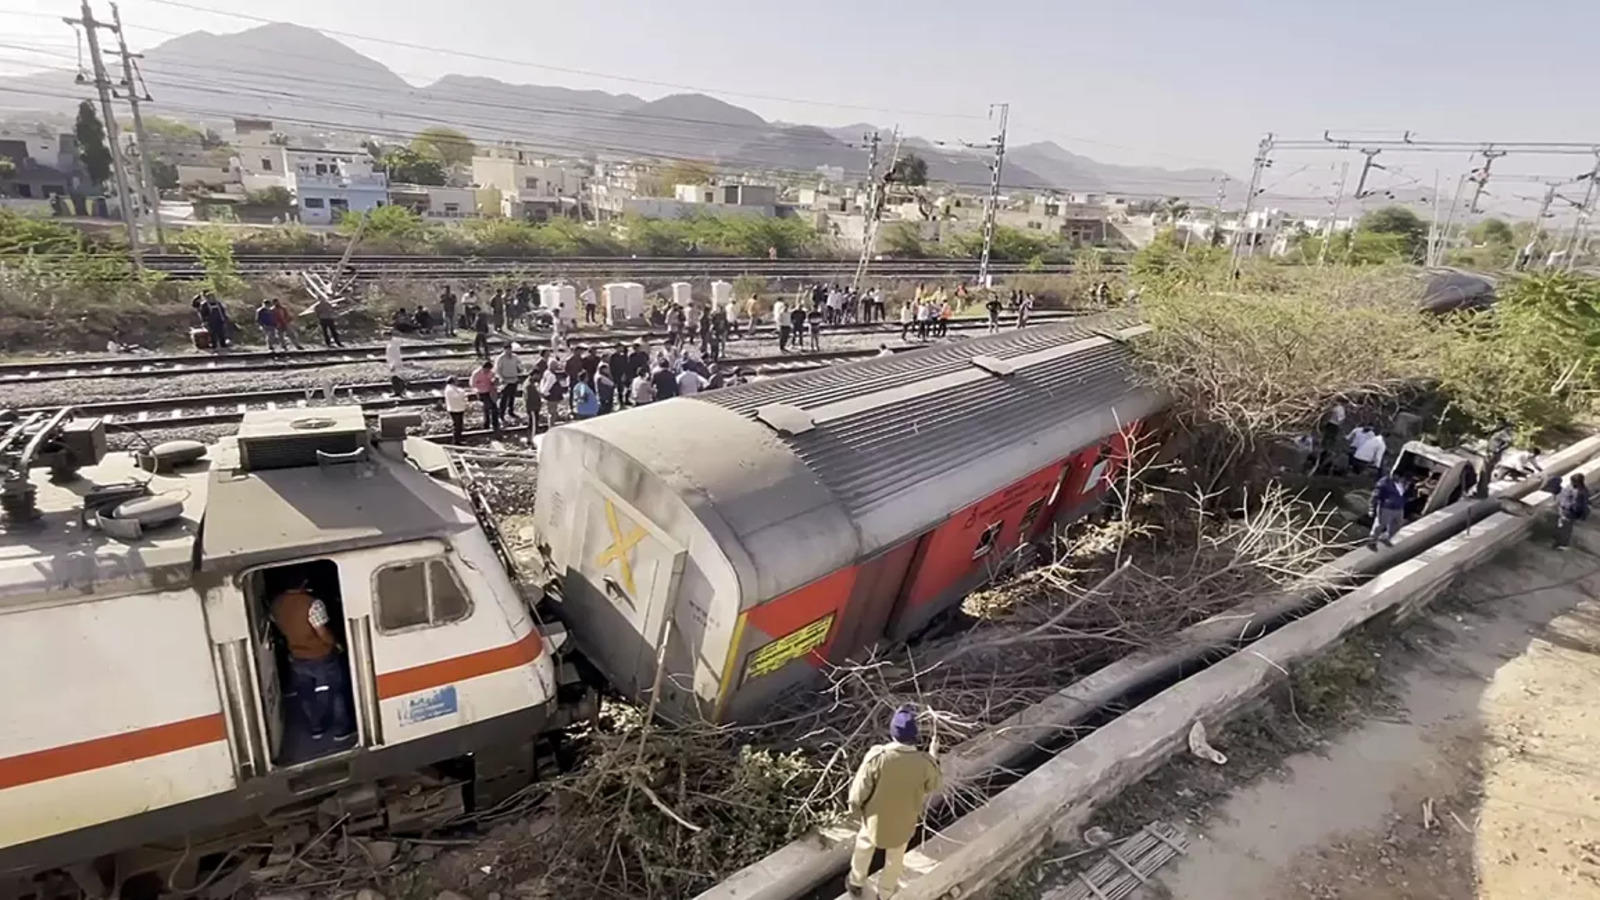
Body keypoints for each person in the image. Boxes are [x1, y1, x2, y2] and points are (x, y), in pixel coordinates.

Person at [846, 705, 942, 899]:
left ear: (892, 732)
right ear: (914, 736)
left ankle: (856, 883)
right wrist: (934, 756)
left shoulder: (877, 758)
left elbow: (857, 794)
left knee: (864, 847)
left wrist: (856, 812)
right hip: (904, 824)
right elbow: (934, 785)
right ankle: (885, 893)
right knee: (894, 859)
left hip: (874, 821)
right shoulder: (924, 763)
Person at [271, 576, 355, 747]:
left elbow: (278, 626)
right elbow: (322, 632)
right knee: (336, 691)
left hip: (296, 655)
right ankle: (341, 729)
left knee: (306, 694)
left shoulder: (277, 603)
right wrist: (336, 644)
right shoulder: (313, 604)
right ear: (304, 583)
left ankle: (316, 727)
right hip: (321, 655)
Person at [1369, 472, 1408, 549]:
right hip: (1386, 507)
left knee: (1397, 525)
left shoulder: (1402, 484)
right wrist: (1372, 508)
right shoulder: (1384, 482)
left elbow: (1403, 494)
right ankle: (1372, 542)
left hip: (1399, 508)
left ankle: (1385, 537)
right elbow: (1375, 495)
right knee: (1380, 525)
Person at [1555, 472, 1590, 551]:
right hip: (1565, 511)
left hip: (1568, 513)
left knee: (1565, 529)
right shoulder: (1579, 489)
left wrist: (1567, 509)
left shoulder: (1579, 492)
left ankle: (1563, 545)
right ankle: (1560, 542)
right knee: (1562, 527)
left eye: (1572, 481)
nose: (1571, 483)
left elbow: (1578, 506)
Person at [494, 344, 524, 422]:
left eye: (510, 349)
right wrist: (502, 378)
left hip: (514, 379)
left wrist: (520, 369)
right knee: (504, 398)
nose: (509, 351)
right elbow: (498, 369)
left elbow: (520, 366)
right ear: (504, 349)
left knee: (512, 397)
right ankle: (501, 414)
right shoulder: (500, 358)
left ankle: (511, 411)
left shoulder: (515, 357)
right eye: (507, 349)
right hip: (505, 381)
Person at [471, 359, 500, 433]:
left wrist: (495, 381)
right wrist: (476, 391)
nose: (487, 371)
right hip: (481, 392)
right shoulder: (476, 373)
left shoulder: (491, 373)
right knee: (489, 407)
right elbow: (472, 384)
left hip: (490, 392)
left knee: (492, 408)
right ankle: (488, 424)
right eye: (486, 370)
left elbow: (494, 381)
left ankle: (493, 424)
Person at [442, 376, 469, 445]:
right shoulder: (450, 389)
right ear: (453, 381)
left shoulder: (451, 388)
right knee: (457, 426)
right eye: (456, 380)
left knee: (458, 425)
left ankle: (457, 440)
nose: (458, 382)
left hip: (456, 408)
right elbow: (458, 396)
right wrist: (463, 394)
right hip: (456, 409)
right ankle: (456, 441)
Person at [385, 332, 406, 396]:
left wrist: (393, 365)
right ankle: (397, 391)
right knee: (394, 377)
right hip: (392, 362)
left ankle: (401, 390)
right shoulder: (391, 342)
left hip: (394, 362)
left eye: (385, 336)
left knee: (396, 377)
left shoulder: (393, 344)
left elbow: (395, 355)